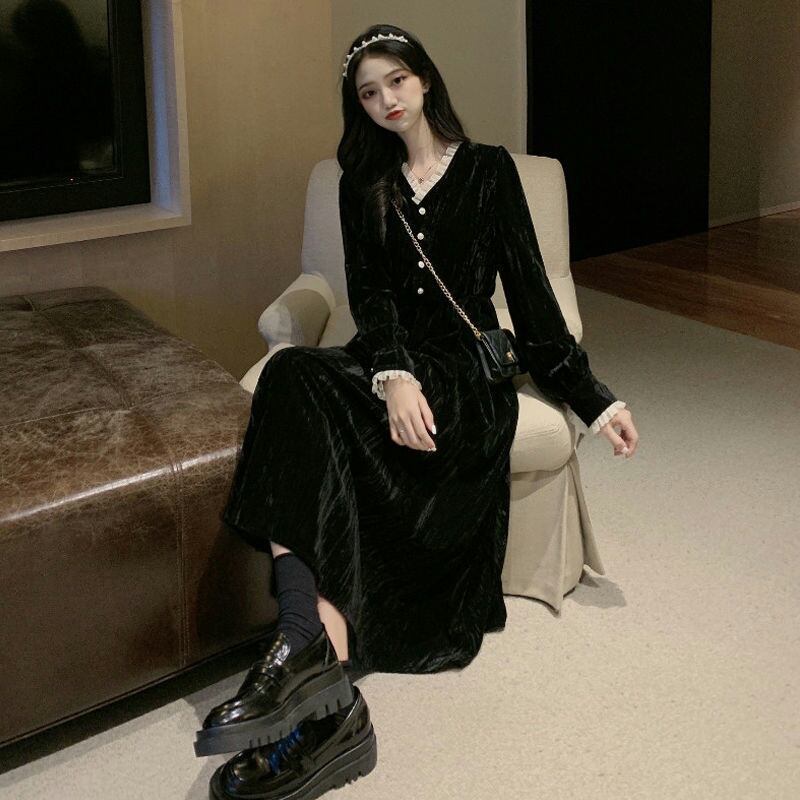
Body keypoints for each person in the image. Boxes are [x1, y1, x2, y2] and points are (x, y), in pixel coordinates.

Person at [195, 23, 640, 800]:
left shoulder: (490, 172)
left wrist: (597, 404)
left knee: (316, 424)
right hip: (390, 363)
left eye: (396, 81)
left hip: (464, 381)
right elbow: (370, 298)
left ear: (425, 79)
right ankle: (314, 662)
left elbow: (536, 308)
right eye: (368, 93)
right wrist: (393, 374)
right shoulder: (361, 182)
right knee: (293, 376)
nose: (386, 101)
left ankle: (313, 678)